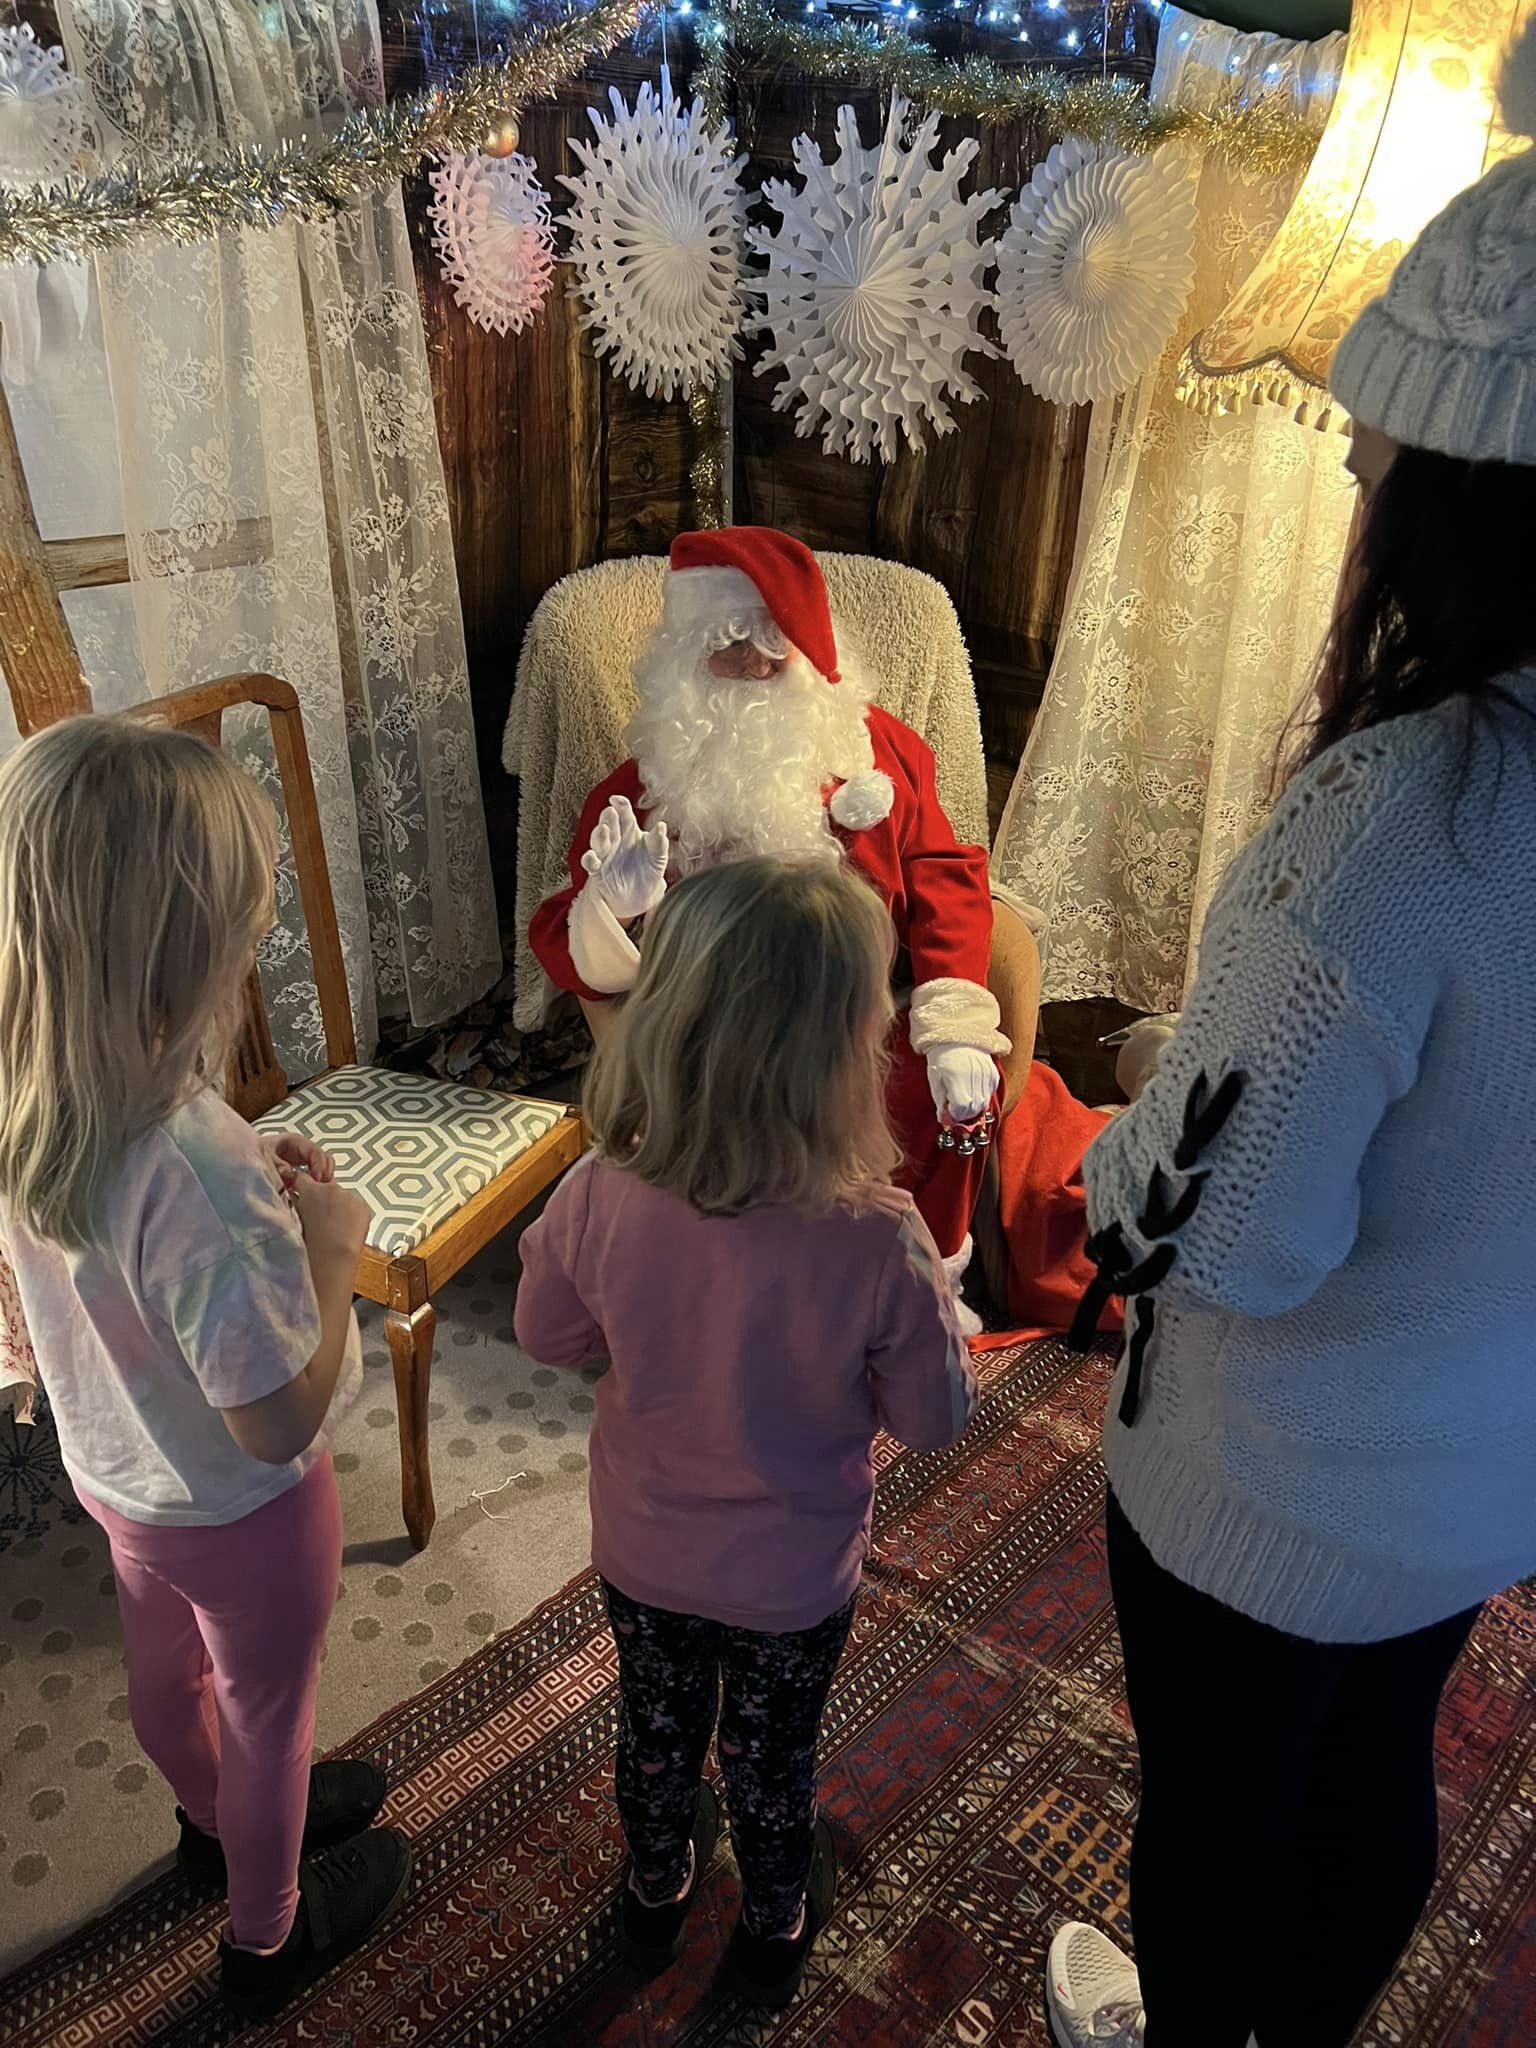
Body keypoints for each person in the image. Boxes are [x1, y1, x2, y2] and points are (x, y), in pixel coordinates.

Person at [1045, 28, 1536, 2048]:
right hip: (1477, 1469)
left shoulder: (1393, 824)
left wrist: (1092, 1148)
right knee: (1375, 1771)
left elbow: (1223, 1230)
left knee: (1224, 1810)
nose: (1348, 474)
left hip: (1268, 1487)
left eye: (1374, 450)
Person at [0, 717, 411, 2022]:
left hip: (120, 1487)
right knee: (271, 1713)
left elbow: (123, 1274)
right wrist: (333, 1257)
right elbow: (274, 1418)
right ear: (186, 959)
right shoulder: (190, 1163)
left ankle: (204, 1823)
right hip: (248, 1516)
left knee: (164, 1670)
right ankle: (265, 1936)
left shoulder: (29, 1094)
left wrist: (250, 1199)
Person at [515, 857, 977, 2008]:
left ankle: (653, 1892)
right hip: (791, 1582)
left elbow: (546, 1332)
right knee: (772, 1762)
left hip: (644, 1551)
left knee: (656, 1736)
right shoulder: (881, 1235)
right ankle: (773, 1925)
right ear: (848, 1050)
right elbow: (931, 1419)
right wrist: (937, 1317)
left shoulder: (600, 1187)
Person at [527, 525, 1009, 1327]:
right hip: (715, 1026)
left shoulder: (880, 750)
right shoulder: (645, 789)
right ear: (685, 662)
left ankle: (919, 1287)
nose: (751, 666)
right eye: (726, 648)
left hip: (861, 1009)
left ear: (808, 652)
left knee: (953, 1091)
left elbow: (947, 876)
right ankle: (737, 1306)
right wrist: (611, 911)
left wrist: (954, 1018)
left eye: (769, 646)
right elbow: (560, 934)